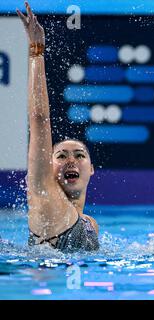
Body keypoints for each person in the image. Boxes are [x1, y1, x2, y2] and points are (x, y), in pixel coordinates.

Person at [17, 2, 99, 252]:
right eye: (61, 156)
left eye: (79, 155)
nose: (70, 161)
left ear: (92, 169)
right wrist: (36, 52)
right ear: (48, 168)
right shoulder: (45, 199)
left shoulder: (89, 224)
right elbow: (39, 120)